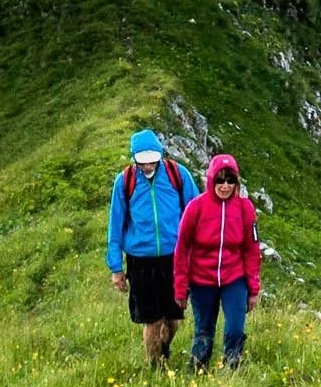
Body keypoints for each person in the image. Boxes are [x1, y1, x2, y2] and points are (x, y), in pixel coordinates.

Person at [106, 129, 198, 368]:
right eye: (142, 162)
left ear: (160, 155)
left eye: (152, 161)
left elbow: (196, 213)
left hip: (174, 258)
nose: (147, 166)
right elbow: (115, 226)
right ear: (134, 158)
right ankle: (154, 366)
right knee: (152, 321)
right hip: (141, 262)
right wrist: (116, 269)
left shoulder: (179, 175)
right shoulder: (124, 182)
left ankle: (164, 349)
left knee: (174, 319)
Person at [172, 153, 261, 372]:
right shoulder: (195, 208)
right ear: (211, 180)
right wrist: (180, 288)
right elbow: (181, 249)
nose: (225, 185)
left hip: (234, 278)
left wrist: (253, 288)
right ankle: (197, 371)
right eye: (220, 180)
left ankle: (232, 368)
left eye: (230, 180)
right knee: (203, 330)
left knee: (235, 330)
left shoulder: (245, 209)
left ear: (236, 182)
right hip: (201, 279)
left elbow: (252, 248)